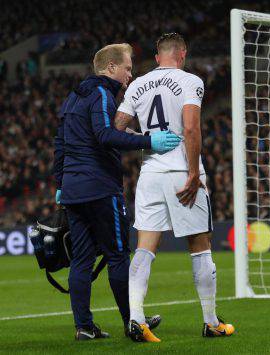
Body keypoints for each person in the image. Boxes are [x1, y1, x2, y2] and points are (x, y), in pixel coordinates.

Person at [53, 43, 181, 341]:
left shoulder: (73, 97)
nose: (130, 74)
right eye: (127, 67)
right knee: (118, 256)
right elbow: (104, 136)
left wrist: (61, 183)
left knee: (82, 260)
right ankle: (133, 321)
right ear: (110, 68)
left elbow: (60, 144)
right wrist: (148, 141)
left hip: (73, 190)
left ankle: (84, 327)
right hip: (99, 187)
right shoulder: (100, 94)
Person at [114, 33, 235, 342]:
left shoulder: (138, 84)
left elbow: (117, 127)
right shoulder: (190, 81)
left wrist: (145, 140)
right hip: (181, 172)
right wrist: (194, 172)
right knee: (199, 244)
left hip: (150, 173)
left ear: (157, 58)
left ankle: (137, 320)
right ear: (182, 55)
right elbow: (191, 127)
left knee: (144, 246)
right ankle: (210, 321)